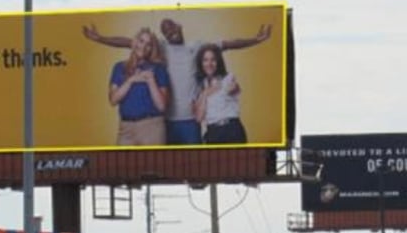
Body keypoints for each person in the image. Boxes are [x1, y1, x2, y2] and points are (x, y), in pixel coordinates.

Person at [83, 18, 271, 145]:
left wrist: (256, 40)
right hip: (166, 123)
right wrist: (100, 38)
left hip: (190, 122)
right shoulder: (161, 48)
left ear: (179, 26)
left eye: (171, 27)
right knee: (169, 169)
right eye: (165, 31)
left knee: (197, 171)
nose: (169, 31)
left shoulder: (197, 47)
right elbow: (129, 42)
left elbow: (228, 44)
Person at [108, 28, 170, 146]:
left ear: (151, 49)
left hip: (152, 127)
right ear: (135, 42)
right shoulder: (119, 67)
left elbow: (162, 106)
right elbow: (113, 100)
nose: (143, 46)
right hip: (126, 128)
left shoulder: (158, 69)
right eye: (141, 41)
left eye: (148, 45)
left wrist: (151, 81)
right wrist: (130, 81)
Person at [193, 44, 247, 144]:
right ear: (201, 63)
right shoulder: (201, 85)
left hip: (232, 129)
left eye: (213, 60)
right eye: (205, 60)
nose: (209, 64)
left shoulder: (228, 78)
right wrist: (205, 93)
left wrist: (234, 88)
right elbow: (199, 117)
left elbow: (235, 88)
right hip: (213, 132)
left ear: (218, 62)